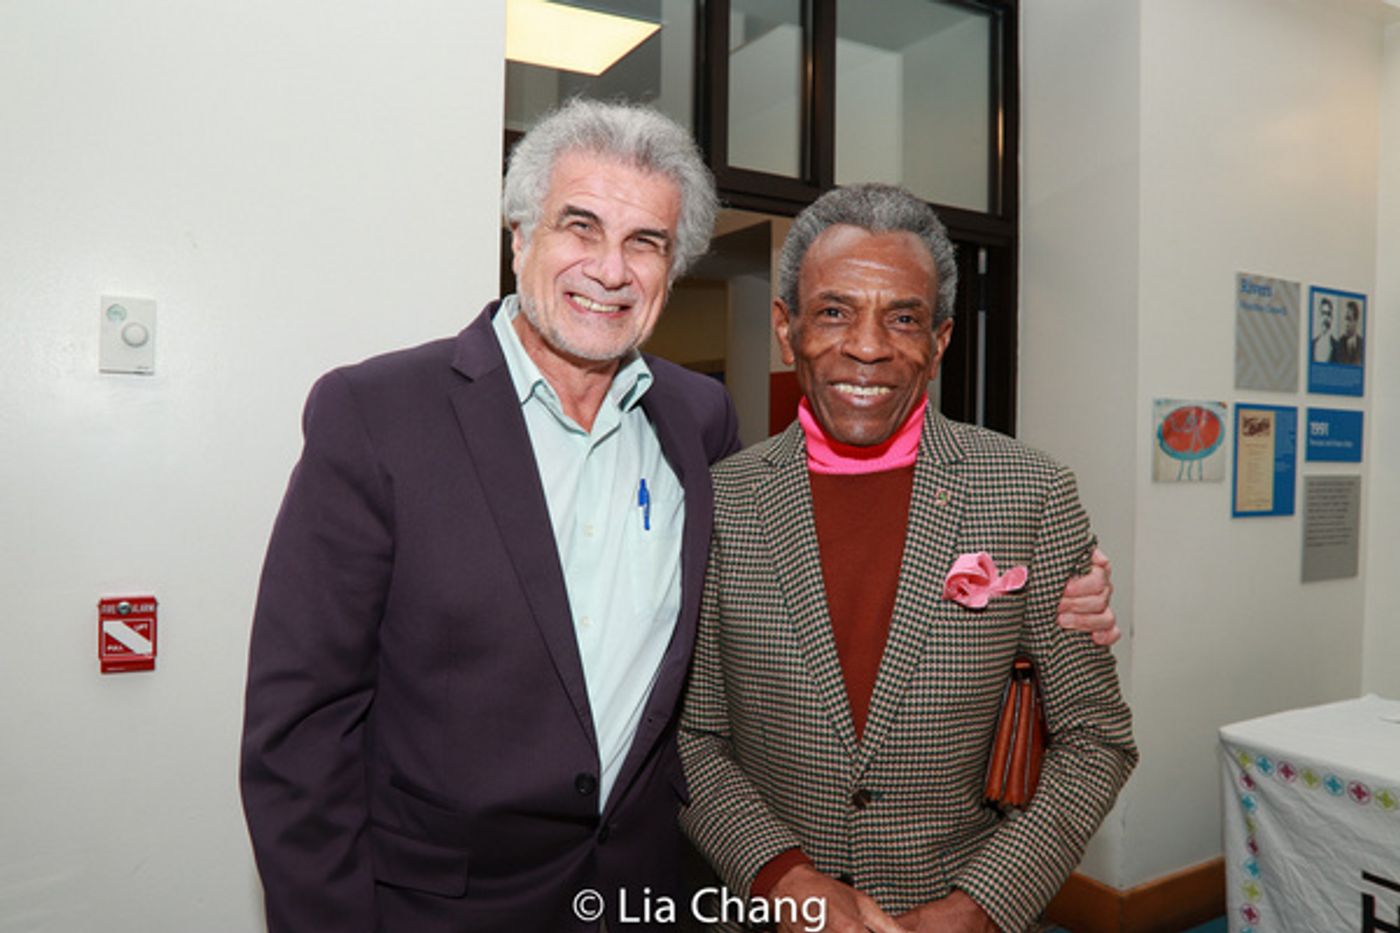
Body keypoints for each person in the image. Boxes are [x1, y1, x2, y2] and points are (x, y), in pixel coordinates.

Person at [241, 100, 1119, 932]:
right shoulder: (377, 416)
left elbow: (1091, 731)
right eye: (580, 226)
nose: (610, 269)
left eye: (646, 241)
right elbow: (300, 734)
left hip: (649, 896)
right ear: (519, 236)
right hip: (449, 906)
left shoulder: (697, 427)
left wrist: (1071, 606)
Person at [678, 183, 1137, 933]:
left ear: (939, 342)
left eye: (903, 317)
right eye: (834, 312)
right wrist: (780, 875)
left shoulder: (1031, 492)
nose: (868, 347)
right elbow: (694, 736)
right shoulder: (720, 500)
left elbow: (1096, 739)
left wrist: (981, 905)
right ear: (787, 329)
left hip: (956, 898)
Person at [1334, 299, 1364, 365]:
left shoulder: (1363, 344)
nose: (1345, 324)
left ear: (1356, 321)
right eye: (1345, 319)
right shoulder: (1338, 345)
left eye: (1349, 319)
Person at [1313, 297, 1335, 363]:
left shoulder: (1337, 346)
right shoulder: (1311, 344)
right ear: (1319, 316)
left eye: (1328, 314)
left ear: (1332, 318)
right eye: (1323, 313)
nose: (1325, 318)